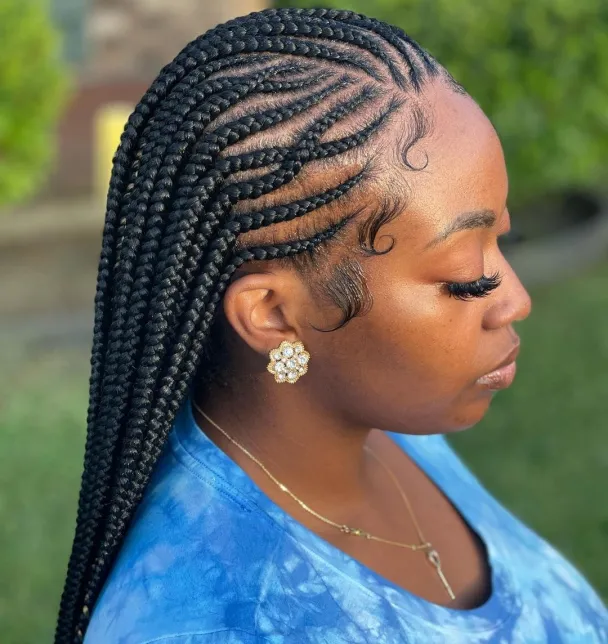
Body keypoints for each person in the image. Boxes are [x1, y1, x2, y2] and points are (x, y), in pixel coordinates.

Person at [55, 7, 607, 643]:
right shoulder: (215, 623)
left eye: (501, 242)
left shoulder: (380, 415)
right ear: (274, 315)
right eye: (463, 277)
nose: (514, 300)